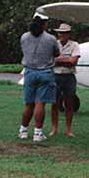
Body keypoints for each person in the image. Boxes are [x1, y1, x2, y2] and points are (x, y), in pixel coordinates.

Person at [19, 12, 59, 143]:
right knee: (40, 103)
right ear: (45, 23)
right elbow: (56, 53)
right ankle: (38, 133)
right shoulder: (51, 39)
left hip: (29, 72)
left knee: (28, 103)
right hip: (45, 73)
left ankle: (23, 131)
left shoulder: (24, 37)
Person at [50, 23, 81, 138]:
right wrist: (66, 59)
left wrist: (58, 60)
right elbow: (50, 60)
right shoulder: (54, 44)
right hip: (55, 76)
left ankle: (68, 130)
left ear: (69, 34)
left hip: (69, 76)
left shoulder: (75, 45)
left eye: (64, 32)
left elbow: (73, 62)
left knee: (69, 103)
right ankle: (54, 129)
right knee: (54, 103)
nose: (61, 34)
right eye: (60, 32)